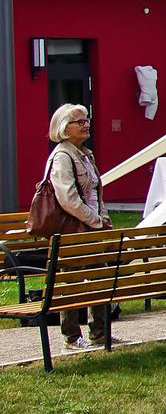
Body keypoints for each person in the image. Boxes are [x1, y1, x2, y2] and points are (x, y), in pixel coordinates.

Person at [41, 105, 117, 350]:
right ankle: (71, 338)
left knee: (100, 276)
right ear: (64, 128)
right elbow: (68, 199)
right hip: (72, 229)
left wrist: (102, 217)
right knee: (71, 282)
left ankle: (99, 334)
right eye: (78, 122)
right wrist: (95, 220)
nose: (86, 124)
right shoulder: (62, 157)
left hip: (91, 227)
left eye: (86, 120)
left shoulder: (86, 154)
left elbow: (95, 192)